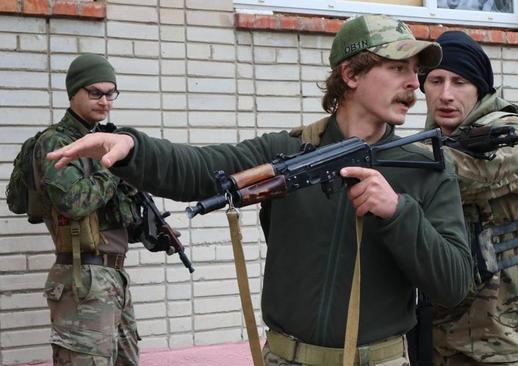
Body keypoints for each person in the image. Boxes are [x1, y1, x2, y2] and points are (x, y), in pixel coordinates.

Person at [48, 15, 472, 366]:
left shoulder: (424, 167)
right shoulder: (287, 152)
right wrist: (132, 149)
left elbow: (454, 283)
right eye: (397, 68)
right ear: (351, 74)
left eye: (415, 72)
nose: (414, 85)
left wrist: (398, 212)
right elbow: (200, 169)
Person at [417, 31, 518, 365]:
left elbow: (455, 173)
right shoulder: (428, 144)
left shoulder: (513, 139)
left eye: (459, 81)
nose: (446, 94)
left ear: (480, 88)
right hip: (441, 342)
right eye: (435, 81)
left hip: (509, 344)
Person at [36, 54, 140, 365]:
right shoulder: (54, 142)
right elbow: (75, 202)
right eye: (95, 92)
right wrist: (112, 166)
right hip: (83, 277)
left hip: (113, 276)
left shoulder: (105, 137)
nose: (105, 101)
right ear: (74, 92)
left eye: (111, 93)